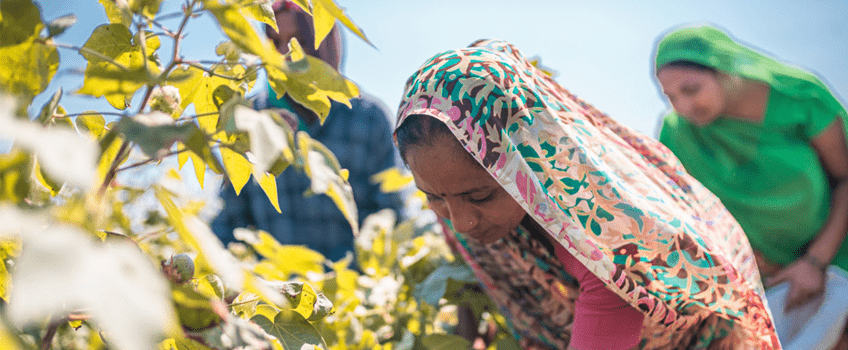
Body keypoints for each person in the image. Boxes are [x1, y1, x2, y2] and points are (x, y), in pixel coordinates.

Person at [394, 39, 780, 349]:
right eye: (434, 197)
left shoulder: (606, 235)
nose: (460, 221)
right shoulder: (458, 197)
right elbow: (472, 267)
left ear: (530, 159)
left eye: (480, 196)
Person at [653, 24, 848, 327]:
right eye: (671, 97)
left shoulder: (801, 99)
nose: (684, 106)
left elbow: (845, 179)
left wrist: (815, 262)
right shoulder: (677, 135)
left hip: (836, 260)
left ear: (724, 69)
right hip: (763, 288)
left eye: (691, 90)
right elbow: (680, 214)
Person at [211, 1, 404, 262]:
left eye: (298, 41)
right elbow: (229, 221)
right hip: (273, 292)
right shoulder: (249, 119)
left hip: (352, 292)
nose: (284, 55)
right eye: (275, 43)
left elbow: (391, 208)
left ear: (324, 42)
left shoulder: (369, 119)